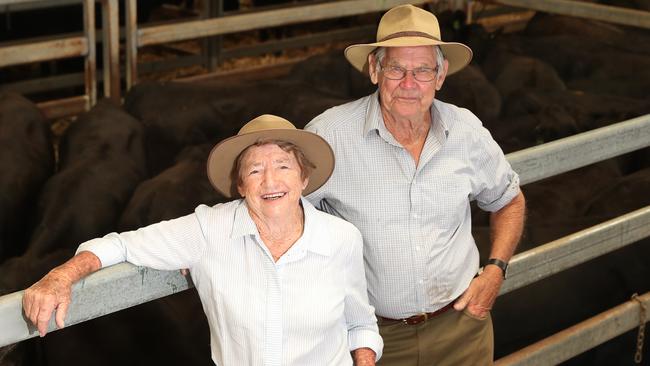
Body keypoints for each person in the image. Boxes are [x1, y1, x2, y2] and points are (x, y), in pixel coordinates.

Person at [22, 114, 383, 366]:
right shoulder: (209, 230)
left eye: (284, 166)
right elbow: (121, 244)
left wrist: (364, 361)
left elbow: (361, 324)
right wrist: (61, 276)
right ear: (240, 186)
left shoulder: (340, 238)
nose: (270, 181)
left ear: (304, 178)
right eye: (255, 170)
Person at [304, 5, 526, 365]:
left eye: (423, 70)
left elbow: (508, 201)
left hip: (462, 329)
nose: (409, 84)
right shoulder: (329, 136)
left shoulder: (466, 130)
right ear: (375, 70)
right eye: (396, 69)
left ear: (441, 76)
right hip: (370, 340)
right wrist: (207, 240)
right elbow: (279, 213)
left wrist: (496, 270)